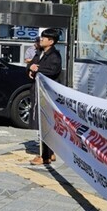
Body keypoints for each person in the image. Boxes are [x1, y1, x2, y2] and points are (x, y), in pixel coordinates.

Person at [28, 28, 63, 165]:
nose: (41, 39)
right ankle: (50, 152)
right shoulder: (40, 53)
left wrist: (38, 69)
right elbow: (31, 65)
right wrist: (30, 69)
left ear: (51, 41)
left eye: (44, 38)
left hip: (47, 94)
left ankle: (45, 156)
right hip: (38, 91)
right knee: (43, 123)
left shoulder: (54, 55)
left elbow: (53, 70)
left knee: (46, 124)